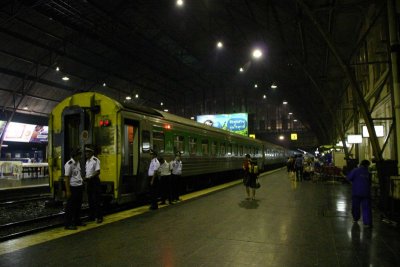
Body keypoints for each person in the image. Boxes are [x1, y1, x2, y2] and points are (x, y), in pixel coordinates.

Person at [347, 159, 372, 228]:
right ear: (368, 165)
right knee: (366, 208)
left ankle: (356, 219)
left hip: (356, 192)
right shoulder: (368, 172)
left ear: (360, 164)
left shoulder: (355, 170)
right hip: (366, 192)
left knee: (356, 207)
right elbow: (370, 183)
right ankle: (366, 222)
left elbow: (349, 178)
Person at [64, 148, 85, 230]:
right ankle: (68, 224)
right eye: (79, 155)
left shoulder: (78, 162)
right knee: (70, 207)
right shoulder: (69, 164)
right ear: (75, 155)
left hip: (79, 187)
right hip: (73, 188)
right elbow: (67, 178)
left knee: (78, 206)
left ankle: (77, 221)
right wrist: (68, 191)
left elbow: (77, 175)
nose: (80, 156)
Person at [85, 146, 103, 223]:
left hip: (95, 181)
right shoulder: (87, 161)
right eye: (86, 152)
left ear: (92, 153)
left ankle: (99, 217)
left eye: (88, 152)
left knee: (96, 200)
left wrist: (90, 177)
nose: (86, 153)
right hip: (89, 182)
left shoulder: (95, 160)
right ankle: (92, 216)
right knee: (90, 200)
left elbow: (98, 171)